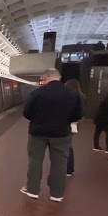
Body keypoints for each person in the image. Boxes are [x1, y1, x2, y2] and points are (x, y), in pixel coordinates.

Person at [21, 69, 83, 202]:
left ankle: (32, 190)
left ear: (44, 77)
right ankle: (57, 194)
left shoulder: (37, 93)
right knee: (60, 163)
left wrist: (38, 119)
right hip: (61, 134)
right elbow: (78, 114)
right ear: (59, 77)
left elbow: (26, 113)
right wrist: (65, 120)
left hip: (38, 133)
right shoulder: (72, 93)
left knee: (35, 161)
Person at [65, 79, 86, 176]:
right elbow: (80, 113)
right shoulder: (81, 97)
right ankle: (70, 168)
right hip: (74, 123)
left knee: (67, 146)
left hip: (68, 124)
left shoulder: (71, 97)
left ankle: (68, 169)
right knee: (69, 146)